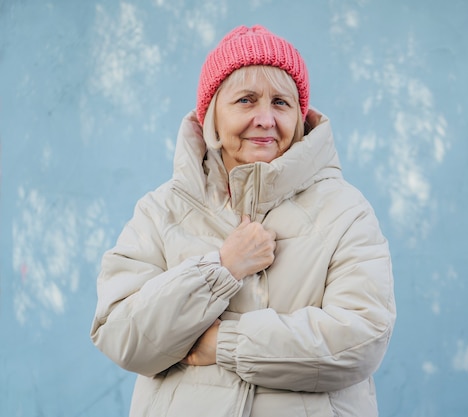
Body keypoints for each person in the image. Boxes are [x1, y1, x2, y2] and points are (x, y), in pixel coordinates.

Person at [90, 24, 396, 417]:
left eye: (281, 103)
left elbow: (360, 340)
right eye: (246, 101)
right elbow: (121, 335)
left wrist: (223, 344)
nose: (265, 119)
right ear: (213, 114)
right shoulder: (161, 211)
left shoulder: (346, 212)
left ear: (300, 117)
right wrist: (221, 268)